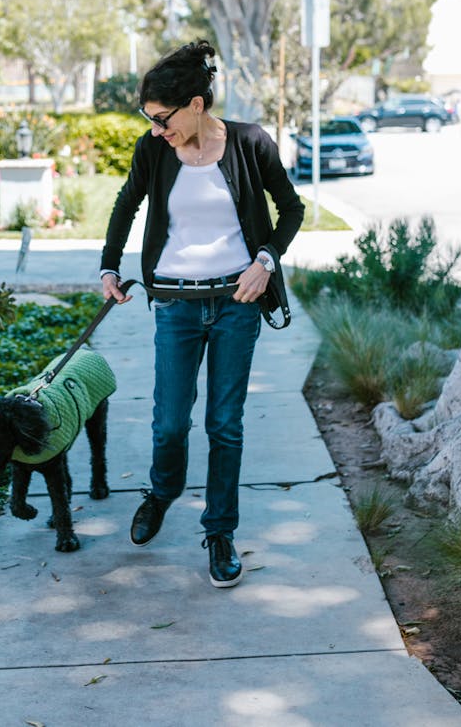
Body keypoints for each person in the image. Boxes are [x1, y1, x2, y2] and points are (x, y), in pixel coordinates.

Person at [100, 39, 304, 588]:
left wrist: (265, 261)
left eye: (161, 118)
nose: (153, 130)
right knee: (169, 423)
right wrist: (109, 268)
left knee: (224, 425)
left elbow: (291, 208)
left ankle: (219, 532)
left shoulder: (249, 142)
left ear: (195, 104)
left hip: (236, 302)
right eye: (147, 120)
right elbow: (127, 203)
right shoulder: (155, 150)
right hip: (175, 303)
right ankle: (163, 492)